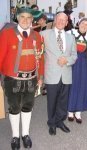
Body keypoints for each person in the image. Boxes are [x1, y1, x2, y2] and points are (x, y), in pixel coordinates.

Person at [0, 7, 44, 150]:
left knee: (27, 106)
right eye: (22, 17)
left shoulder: (37, 36)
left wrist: (40, 76)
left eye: (28, 17)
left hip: (31, 79)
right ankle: (15, 136)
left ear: (32, 19)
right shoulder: (6, 34)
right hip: (12, 79)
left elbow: (41, 57)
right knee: (14, 107)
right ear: (17, 18)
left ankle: (25, 134)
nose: (25, 20)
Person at [40, 12, 77, 135]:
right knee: (52, 100)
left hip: (66, 74)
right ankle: (51, 123)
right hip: (51, 74)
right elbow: (38, 55)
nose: (61, 22)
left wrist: (67, 60)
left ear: (67, 23)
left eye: (64, 20)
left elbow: (74, 56)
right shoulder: (43, 35)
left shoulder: (71, 37)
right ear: (55, 20)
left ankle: (60, 121)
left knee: (63, 100)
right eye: (59, 19)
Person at [67, 18, 87, 124]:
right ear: (79, 23)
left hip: (84, 64)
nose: (84, 25)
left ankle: (78, 112)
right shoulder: (69, 32)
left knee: (82, 85)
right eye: (83, 23)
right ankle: (70, 111)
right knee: (72, 85)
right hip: (73, 62)